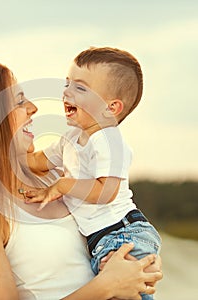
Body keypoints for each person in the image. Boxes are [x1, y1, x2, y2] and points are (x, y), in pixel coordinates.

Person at [0, 60, 162, 300]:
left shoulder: (59, 176)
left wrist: (142, 263)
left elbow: (115, 228)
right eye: (18, 102)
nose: (33, 108)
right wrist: (106, 286)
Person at [25, 47, 162, 299]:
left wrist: (63, 185)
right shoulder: (70, 139)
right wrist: (10, 144)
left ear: (111, 108)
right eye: (67, 84)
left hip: (122, 233)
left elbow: (105, 191)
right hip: (101, 239)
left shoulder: (109, 141)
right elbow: (36, 162)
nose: (66, 92)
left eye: (80, 88)